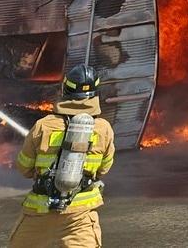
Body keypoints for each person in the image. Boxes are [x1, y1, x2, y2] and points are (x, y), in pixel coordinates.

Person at [9, 64, 116, 247]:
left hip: (39, 212)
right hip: (80, 218)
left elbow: (24, 167)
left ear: (65, 89)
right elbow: (104, 169)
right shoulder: (103, 129)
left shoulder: (43, 126)